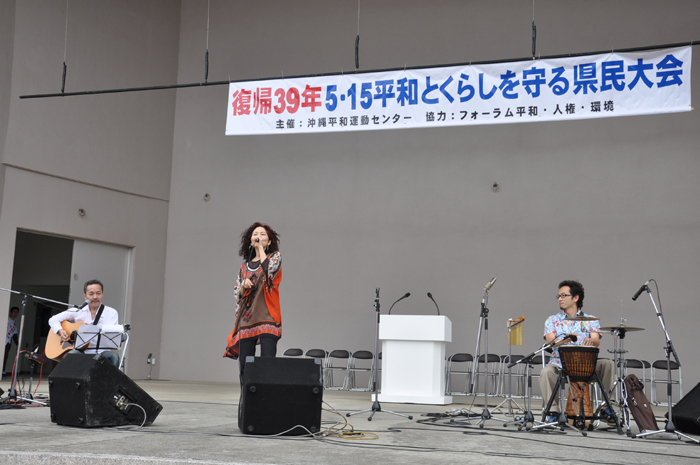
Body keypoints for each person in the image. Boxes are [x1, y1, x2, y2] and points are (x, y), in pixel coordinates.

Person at [539, 280, 615, 423]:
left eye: (563, 295)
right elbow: (550, 341)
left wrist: (591, 341)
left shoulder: (590, 320)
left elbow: (596, 340)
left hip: (586, 364)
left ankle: (608, 407)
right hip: (560, 364)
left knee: (608, 364)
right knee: (546, 372)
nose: (560, 299)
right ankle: (552, 411)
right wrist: (565, 339)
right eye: (558, 296)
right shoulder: (552, 320)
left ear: (575, 298)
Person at [224, 222, 282, 382]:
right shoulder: (244, 267)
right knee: (245, 367)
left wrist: (261, 249)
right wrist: (243, 286)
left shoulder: (275, 257)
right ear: (250, 241)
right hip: (247, 319)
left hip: (268, 318)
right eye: (255, 234)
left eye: (263, 234)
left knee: (267, 364)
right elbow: (238, 294)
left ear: (269, 241)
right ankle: (245, 397)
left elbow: (269, 270)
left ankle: (266, 397)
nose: (258, 236)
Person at [48, 279, 120, 367]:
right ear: (85, 296)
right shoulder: (78, 311)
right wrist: (60, 331)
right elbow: (53, 319)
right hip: (82, 352)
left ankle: (109, 377)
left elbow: (112, 337)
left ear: (102, 294)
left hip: (102, 352)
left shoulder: (111, 313)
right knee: (71, 355)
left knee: (114, 356)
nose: (95, 297)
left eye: (98, 293)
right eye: (91, 294)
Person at [3, 307, 19, 376]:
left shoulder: (14, 324)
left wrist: (17, 344)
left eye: (17, 312)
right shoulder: (6, 320)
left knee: (5, 356)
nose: (15, 313)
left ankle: (2, 370)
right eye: (14, 312)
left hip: (8, 342)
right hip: (3, 340)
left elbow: (15, 335)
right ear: (10, 312)